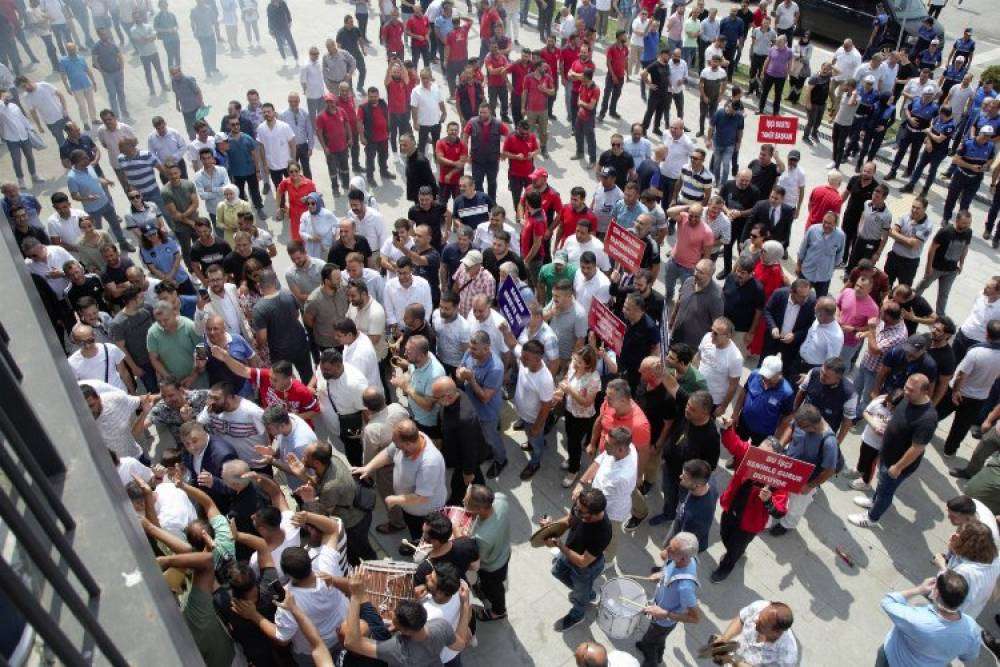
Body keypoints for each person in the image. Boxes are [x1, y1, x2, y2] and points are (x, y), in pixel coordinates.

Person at [849, 374, 937, 528]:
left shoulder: (927, 419)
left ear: (925, 391)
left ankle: (872, 518)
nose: (906, 392)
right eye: (906, 387)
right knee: (882, 484)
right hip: (887, 455)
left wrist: (898, 467)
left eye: (911, 390)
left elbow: (917, 448)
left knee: (886, 491)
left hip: (898, 464)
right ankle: (874, 502)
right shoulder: (907, 398)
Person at [352, 419, 447, 550]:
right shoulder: (411, 440)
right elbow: (388, 453)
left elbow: (422, 497)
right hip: (409, 506)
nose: (396, 448)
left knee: (423, 535)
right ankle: (415, 543)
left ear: (408, 443)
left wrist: (395, 499)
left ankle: (421, 550)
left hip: (423, 512)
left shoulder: (429, 462)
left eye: (399, 447)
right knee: (412, 528)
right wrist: (368, 468)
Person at [877, 570, 981, 665]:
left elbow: (887, 602)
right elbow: (969, 656)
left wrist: (919, 589)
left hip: (892, 661)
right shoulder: (971, 628)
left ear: (936, 593)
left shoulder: (916, 618)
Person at [543, 487, 611, 631]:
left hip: (586, 568)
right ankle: (589, 594)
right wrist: (551, 527)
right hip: (568, 553)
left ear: (594, 514)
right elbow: (569, 520)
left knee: (580, 597)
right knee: (557, 572)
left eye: (581, 512)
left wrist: (559, 545)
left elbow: (582, 561)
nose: (576, 511)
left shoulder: (603, 532)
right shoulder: (581, 505)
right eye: (577, 507)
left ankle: (577, 615)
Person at [636, 532, 701, 667]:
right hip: (660, 612)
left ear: (683, 558)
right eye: (669, 545)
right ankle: (658, 655)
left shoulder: (685, 586)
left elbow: (695, 618)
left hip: (664, 621)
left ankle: (651, 662)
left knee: (650, 640)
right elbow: (669, 566)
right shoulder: (686, 559)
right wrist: (661, 574)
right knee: (658, 639)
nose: (667, 550)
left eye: (672, 550)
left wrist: (664, 613)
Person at [915, 210, 972, 316]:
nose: (967, 226)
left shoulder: (968, 232)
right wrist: (928, 267)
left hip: (951, 271)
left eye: (969, 223)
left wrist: (961, 264)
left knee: (944, 294)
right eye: (964, 223)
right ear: (957, 220)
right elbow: (932, 249)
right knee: (923, 285)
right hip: (936, 268)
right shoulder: (945, 231)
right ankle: (912, 302)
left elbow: (965, 248)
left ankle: (940, 316)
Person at [715, 600, 799, 663]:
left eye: (762, 624)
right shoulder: (760, 606)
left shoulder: (787, 655)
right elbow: (741, 619)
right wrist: (725, 638)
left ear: (776, 632)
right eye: (759, 616)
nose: (755, 621)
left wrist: (733, 661)